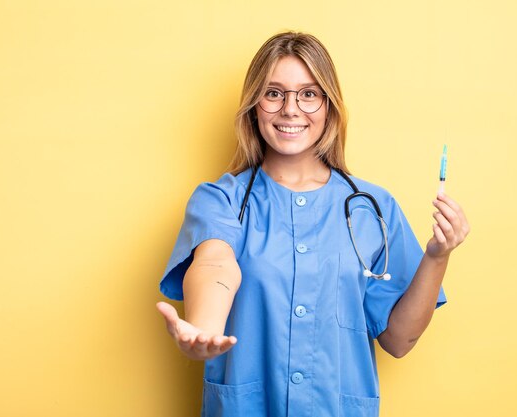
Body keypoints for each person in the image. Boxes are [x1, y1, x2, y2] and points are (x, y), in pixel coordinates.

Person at [156, 31, 469, 417]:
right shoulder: (221, 199)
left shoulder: (372, 208)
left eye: (308, 94)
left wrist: (438, 256)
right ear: (255, 106)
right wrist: (204, 328)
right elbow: (214, 264)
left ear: (328, 108)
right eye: (274, 93)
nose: (290, 109)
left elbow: (399, 340)